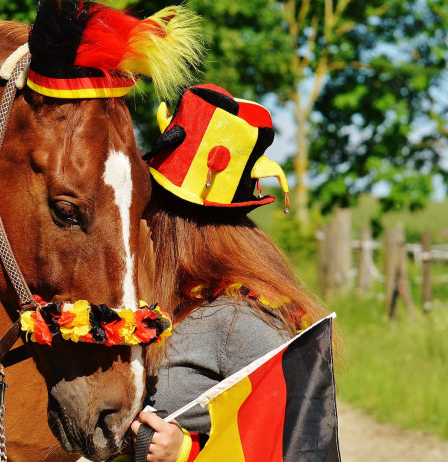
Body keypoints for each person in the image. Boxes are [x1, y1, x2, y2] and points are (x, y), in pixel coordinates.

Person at [125, 84, 332, 462]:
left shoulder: (240, 319)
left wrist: (184, 451)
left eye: (150, 208)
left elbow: (293, 444)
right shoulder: (161, 297)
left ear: (175, 226)